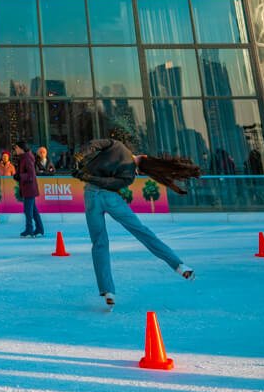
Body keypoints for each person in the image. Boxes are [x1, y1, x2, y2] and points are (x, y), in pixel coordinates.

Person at [75, 128, 193, 306]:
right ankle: (179, 265)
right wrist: (89, 176)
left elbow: (93, 144)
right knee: (142, 232)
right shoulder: (129, 176)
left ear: (143, 156)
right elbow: (110, 183)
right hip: (111, 198)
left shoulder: (117, 145)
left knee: (99, 243)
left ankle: (108, 290)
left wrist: (79, 158)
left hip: (91, 196)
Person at [13, 140, 45, 239]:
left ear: (21, 148)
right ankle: (39, 229)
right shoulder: (23, 158)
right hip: (27, 188)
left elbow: (31, 174)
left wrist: (20, 176)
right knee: (33, 210)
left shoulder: (27, 158)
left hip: (29, 188)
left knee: (28, 211)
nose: (15, 150)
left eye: (16, 148)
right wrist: (18, 175)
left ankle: (29, 230)